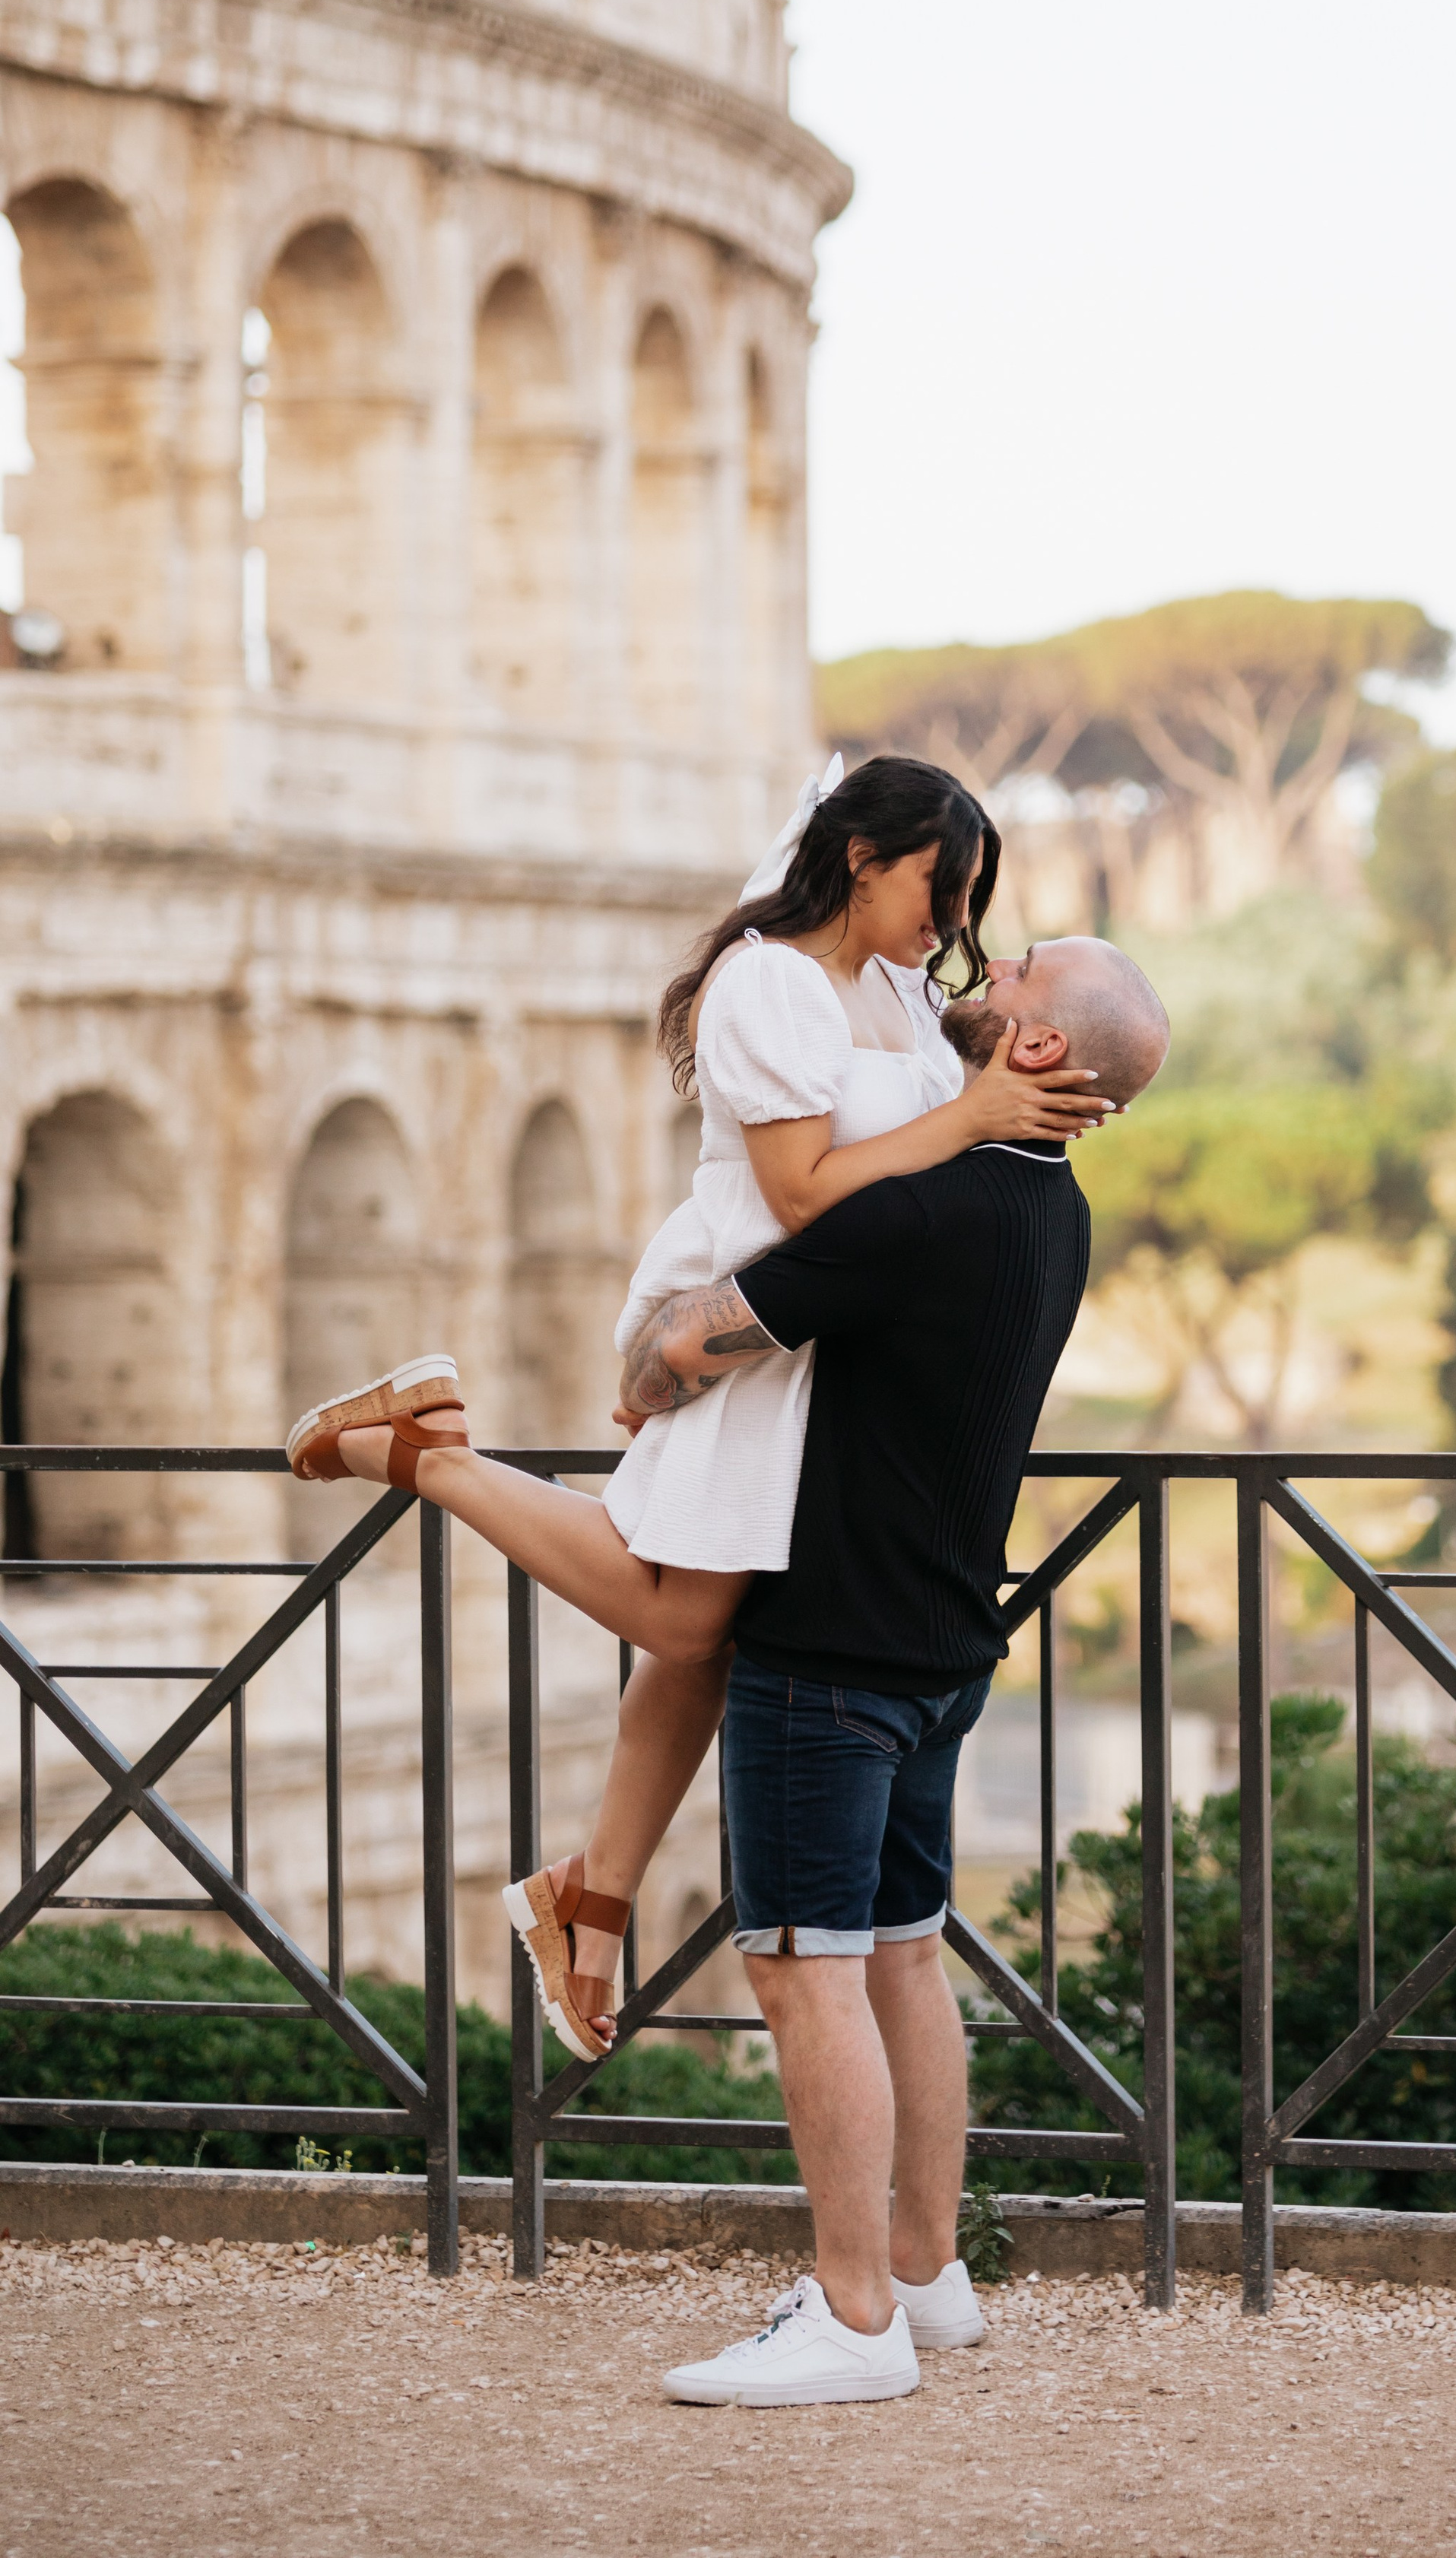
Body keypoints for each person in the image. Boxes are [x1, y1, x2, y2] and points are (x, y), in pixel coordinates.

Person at [285, 756, 1110, 2063]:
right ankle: (428, 1458)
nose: (952, 927)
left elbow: (1002, 1067)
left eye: (968, 904)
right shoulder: (767, 983)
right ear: (860, 860)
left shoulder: (892, 982)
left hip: (819, 1353)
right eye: (937, 889)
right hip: (751, 1313)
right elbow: (799, 1195)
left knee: (718, 1638)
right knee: (685, 1610)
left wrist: (1033, 1092)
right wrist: (969, 1122)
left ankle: (590, 1898)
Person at [637, 932, 1172, 2405]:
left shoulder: (914, 1208)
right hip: (943, 1643)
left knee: (798, 1970)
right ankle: (927, 2279)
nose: (980, 970)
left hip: (826, 1651)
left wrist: (650, 1358)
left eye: (1013, 976)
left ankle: (855, 2322)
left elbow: (689, 1343)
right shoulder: (1047, 1207)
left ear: (1041, 1052)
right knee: (899, 1955)